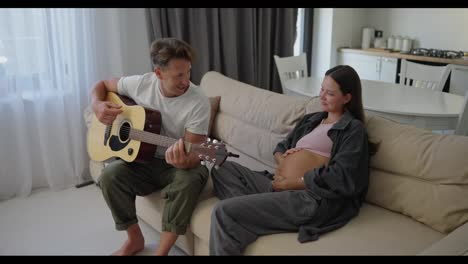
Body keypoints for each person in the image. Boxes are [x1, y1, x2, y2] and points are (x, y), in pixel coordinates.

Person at [209, 65, 377, 255]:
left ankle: (247, 214)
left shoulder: (352, 129)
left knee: (224, 212)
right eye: (322, 89)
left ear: (347, 97)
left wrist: (295, 182)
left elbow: (342, 176)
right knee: (221, 169)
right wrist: (283, 161)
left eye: (329, 93)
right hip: (277, 186)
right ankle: (254, 211)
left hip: (309, 198)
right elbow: (282, 146)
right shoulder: (312, 120)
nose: (321, 96)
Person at [91, 38, 211, 256]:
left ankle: (161, 252)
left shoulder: (199, 102)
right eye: (178, 75)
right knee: (110, 175)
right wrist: (97, 105)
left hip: (178, 165)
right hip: (145, 160)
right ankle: (134, 239)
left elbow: (196, 153)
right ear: (158, 73)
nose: (186, 81)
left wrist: (186, 160)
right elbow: (103, 85)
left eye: (188, 72)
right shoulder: (141, 83)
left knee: (189, 179)